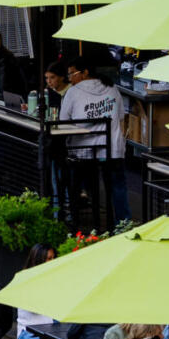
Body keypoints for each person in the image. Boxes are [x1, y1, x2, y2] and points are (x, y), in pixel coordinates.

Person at [59, 57, 128, 227]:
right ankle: (122, 225)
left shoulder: (73, 93)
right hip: (113, 149)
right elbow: (120, 117)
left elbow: (63, 121)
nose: (70, 79)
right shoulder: (112, 88)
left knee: (73, 178)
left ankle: (79, 221)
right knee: (118, 187)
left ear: (85, 73)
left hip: (84, 152)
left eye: (72, 74)